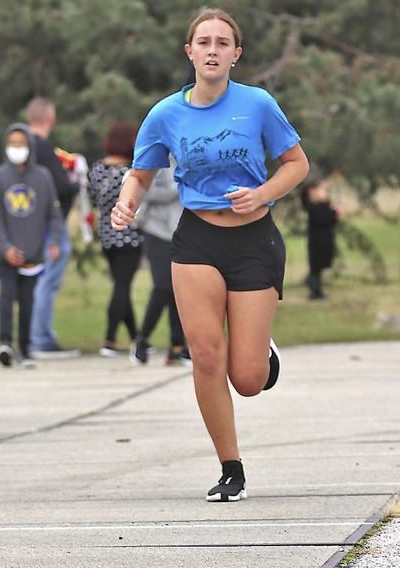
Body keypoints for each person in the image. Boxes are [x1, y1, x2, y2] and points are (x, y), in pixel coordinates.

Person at [111, 8, 309, 502]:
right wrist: (126, 201)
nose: (213, 49)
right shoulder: (165, 114)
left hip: (253, 241)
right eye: (204, 42)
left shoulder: (258, 104)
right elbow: (141, 172)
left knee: (246, 378)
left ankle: (261, 355)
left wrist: (263, 193)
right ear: (190, 52)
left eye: (223, 42)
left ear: (236, 55)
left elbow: (296, 164)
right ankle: (231, 468)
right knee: (204, 355)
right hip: (197, 240)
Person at [0, 123, 63, 368]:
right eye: (13, 144)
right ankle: (5, 343)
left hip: (32, 252)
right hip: (6, 253)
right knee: (6, 296)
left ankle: (26, 348)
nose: (17, 148)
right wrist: (5, 248)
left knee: (28, 300)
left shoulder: (42, 176)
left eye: (21, 143)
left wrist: (53, 240)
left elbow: (53, 214)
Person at [26, 97, 81, 359]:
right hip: (50, 223)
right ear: (50, 118)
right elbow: (60, 186)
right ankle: (41, 338)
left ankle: (33, 335)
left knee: (34, 281)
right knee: (47, 282)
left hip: (28, 224)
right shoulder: (44, 148)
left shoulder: (23, 147)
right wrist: (74, 179)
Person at [87, 122, 144, 357]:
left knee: (121, 285)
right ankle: (110, 339)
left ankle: (135, 337)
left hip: (107, 235)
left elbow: (92, 199)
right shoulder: (131, 173)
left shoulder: (97, 170)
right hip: (130, 235)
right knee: (122, 286)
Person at [130, 162, 191, 367]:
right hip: (156, 230)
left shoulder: (190, 152)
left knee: (179, 289)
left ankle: (177, 346)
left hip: (183, 231)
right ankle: (142, 339)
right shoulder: (158, 155)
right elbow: (146, 189)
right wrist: (180, 184)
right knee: (163, 286)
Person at [299, 172, 339, 300]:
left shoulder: (322, 206)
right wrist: (333, 213)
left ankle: (318, 290)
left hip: (324, 241)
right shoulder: (313, 207)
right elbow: (324, 219)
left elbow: (330, 221)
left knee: (319, 268)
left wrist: (334, 213)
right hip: (317, 242)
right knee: (315, 268)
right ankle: (314, 291)